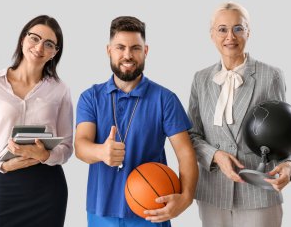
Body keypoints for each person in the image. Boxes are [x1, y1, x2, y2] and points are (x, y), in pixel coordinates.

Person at [75, 16, 198, 227]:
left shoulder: (164, 98)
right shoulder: (90, 97)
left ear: (146, 51)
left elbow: (186, 154)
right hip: (101, 210)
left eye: (135, 48)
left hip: (152, 209)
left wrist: (185, 198)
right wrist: (101, 152)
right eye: (120, 47)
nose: (127, 55)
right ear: (109, 50)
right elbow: (81, 145)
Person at [187, 2, 291, 227]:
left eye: (238, 28)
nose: (230, 36)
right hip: (213, 194)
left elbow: (285, 131)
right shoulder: (200, 78)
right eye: (222, 29)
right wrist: (216, 155)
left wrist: (289, 166)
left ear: (248, 32)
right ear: (212, 34)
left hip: (259, 193)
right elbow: (191, 135)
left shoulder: (271, 75)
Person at [0, 15, 73, 227]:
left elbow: (67, 147)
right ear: (23, 39)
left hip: (47, 188)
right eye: (34, 38)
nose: (39, 47)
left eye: (48, 44)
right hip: (5, 185)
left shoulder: (61, 90)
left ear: (54, 53)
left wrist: (46, 154)